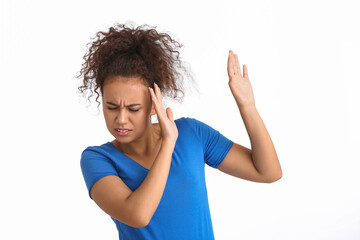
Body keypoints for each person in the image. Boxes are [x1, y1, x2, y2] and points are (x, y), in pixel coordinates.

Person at [76, 22, 282, 240]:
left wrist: (247, 106)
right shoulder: (97, 159)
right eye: (111, 107)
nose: (121, 119)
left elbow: (268, 172)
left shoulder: (192, 134)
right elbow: (139, 215)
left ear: (154, 103)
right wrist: (168, 143)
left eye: (133, 108)